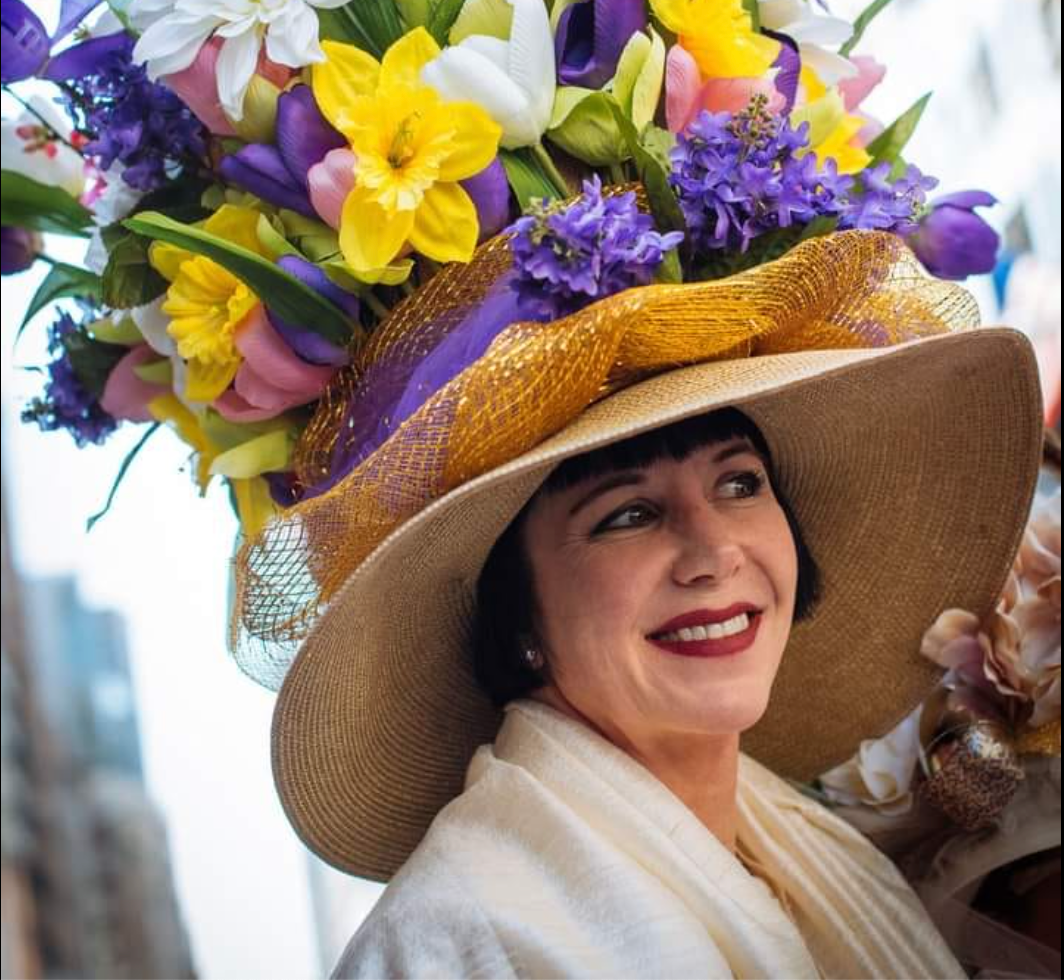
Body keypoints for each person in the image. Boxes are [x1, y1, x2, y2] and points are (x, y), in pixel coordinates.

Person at [271, 323, 1045, 979]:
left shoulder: (790, 843)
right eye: (627, 514)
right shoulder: (465, 943)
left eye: (740, 484)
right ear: (516, 617)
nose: (713, 552)